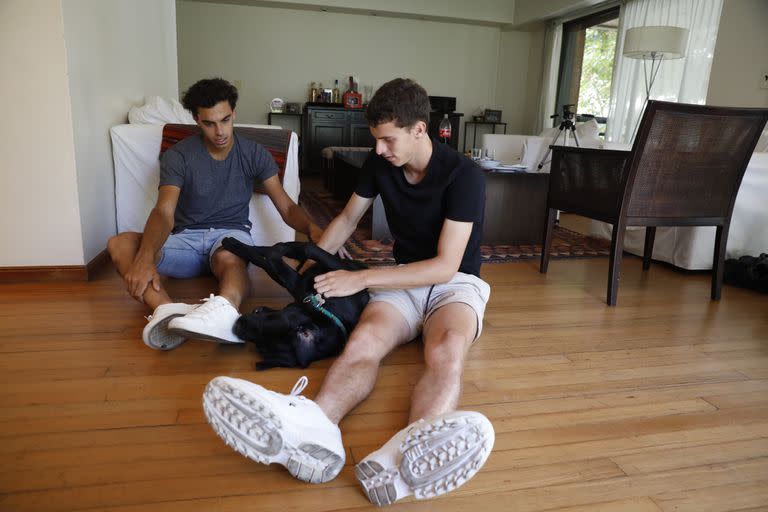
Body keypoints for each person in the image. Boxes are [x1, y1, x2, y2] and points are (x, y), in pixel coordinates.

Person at [202, 78, 494, 506]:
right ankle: (314, 429)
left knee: (448, 348)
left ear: (419, 130)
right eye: (375, 140)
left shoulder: (464, 176)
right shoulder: (381, 164)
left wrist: (361, 278)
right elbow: (344, 220)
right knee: (363, 341)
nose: (378, 150)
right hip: (402, 278)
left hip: (455, 284)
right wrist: (307, 271)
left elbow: (446, 265)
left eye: (387, 140)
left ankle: (404, 458)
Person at [108, 78, 322, 351]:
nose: (219, 131)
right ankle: (167, 312)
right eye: (209, 123)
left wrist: (313, 229)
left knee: (230, 255)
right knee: (119, 244)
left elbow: (288, 207)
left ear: (234, 114)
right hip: (184, 240)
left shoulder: (255, 153)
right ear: (197, 120)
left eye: (225, 120)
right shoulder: (178, 156)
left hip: (229, 236)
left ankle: (224, 312)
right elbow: (164, 212)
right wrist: (145, 257)